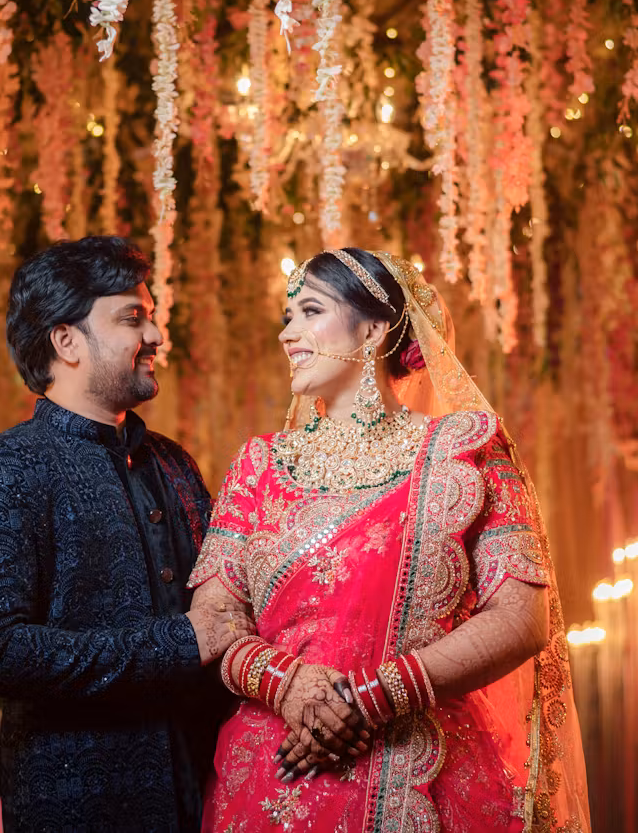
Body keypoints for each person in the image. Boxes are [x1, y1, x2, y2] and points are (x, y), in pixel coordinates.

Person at [188, 248, 590, 832]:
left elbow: (525, 618)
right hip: (276, 771)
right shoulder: (258, 465)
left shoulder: (468, 449)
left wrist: (372, 699)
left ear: (374, 328)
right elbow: (213, 620)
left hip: (425, 770)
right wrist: (290, 685)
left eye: (309, 311)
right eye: (286, 316)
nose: (287, 333)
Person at [0, 236, 252, 832]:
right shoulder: (0, 469)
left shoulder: (173, 464)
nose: (157, 336)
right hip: (80, 808)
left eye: (153, 317)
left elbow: (230, 606)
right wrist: (179, 643)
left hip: (209, 793)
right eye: (132, 318)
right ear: (66, 342)